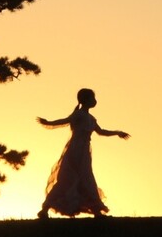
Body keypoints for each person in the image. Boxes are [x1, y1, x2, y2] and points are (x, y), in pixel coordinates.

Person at [36, 88, 130, 219]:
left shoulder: (91, 118)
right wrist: (48, 123)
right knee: (67, 179)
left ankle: (97, 211)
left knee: (86, 179)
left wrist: (117, 132)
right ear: (85, 100)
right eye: (92, 98)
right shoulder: (79, 114)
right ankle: (45, 209)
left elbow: (101, 131)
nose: (95, 101)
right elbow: (64, 120)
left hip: (84, 152)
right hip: (75, 150)